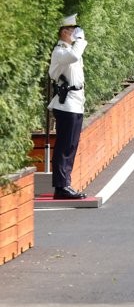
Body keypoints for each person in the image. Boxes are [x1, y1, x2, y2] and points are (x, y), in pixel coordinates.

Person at [48, 14, 88, 200]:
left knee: (71, 145)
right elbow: (74, 56)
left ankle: (66, 183)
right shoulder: (60, 51)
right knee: (65, 146)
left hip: (75, 102)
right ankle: (61, 187)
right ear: (64, 32)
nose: (76, 33)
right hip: (66, 105)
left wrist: (77, 41)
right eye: (73, 30)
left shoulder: (69, 49)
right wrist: (80, 39)